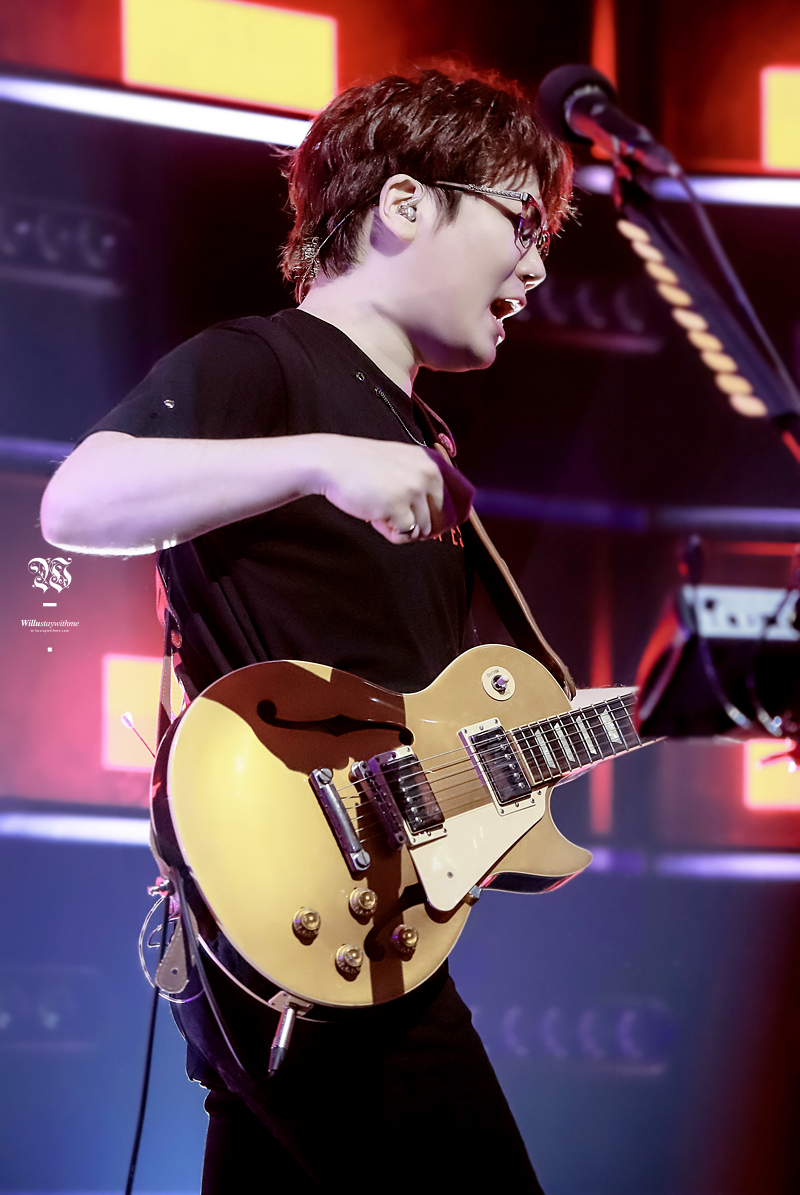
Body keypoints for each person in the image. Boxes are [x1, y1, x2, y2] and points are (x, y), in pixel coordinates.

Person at [41, 66, 573, 1192]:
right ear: (405, 205)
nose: (536, 269)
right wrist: (320, 458)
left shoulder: (422, 441)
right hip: (301, 912)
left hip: (356, 918)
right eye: (522, 223)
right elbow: (77, 502)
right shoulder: (264, 361)